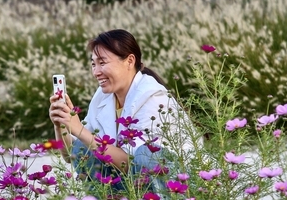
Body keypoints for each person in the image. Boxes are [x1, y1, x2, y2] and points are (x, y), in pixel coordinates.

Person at [48, 29, 194, 186]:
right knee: (84, 149)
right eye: (93, 64)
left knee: (145, 154)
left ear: (130, 61)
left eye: (102, 63)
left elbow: (132, 163)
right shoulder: (103, 96)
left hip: (175, 188)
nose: (96, 72)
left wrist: (79, 130)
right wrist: (61, 125)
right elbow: (73, 154)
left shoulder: (153, 97)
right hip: (130, 185)